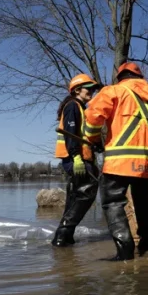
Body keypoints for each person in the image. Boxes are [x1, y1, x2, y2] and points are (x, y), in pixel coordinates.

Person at [84, 62, 148, 261]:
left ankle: (125, 251)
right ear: (140, 78)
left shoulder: (113, 91)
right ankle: (147, 245)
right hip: (147, 164)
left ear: (120, 78)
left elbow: (93, 118)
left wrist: (93, 139)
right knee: (143, 202)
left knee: (112, 202)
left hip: (119, 163)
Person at [52, 73, 100, 247]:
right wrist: (77, 157)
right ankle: (62, 234)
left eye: (93, 89)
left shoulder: (79, 107)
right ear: (77, 90)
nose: (91, 92)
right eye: (88, 89)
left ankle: (65, 239)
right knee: (87, 193)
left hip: (78, 158)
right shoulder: (73, 106)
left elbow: (82, 134)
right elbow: (70, 134)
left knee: (74, 199)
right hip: (75, 159)